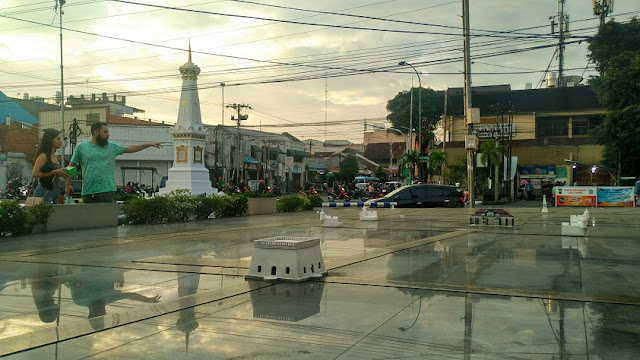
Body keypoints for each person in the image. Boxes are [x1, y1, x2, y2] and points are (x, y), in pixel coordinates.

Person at [67, 122, 162, 203]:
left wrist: (148, 144)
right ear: (96, 133)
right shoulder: (81, 147)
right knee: (89, 221)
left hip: (107, 190)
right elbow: (71, 166)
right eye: (105, 132)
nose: (108, 135)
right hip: (88, 191)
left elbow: (131, 149)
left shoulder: (112, 147)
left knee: (107, 220)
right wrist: (67, 184)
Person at [31, 128, 71, 203]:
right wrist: (55, 172)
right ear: (50, 141)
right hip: (44, 191)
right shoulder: (43, 156)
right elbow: (34, 174)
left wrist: (63, 172)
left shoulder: (53, 155)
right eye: (58, 139)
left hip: (55, 190)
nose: (60, 141)